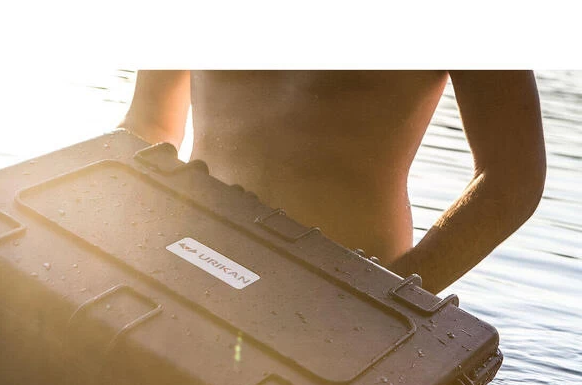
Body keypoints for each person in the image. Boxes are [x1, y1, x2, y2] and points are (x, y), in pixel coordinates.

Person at [118, 70, 546, 294]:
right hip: (190, 258)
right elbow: (149, 124)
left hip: (346, 293)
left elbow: (512, 177)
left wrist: (388, 297)